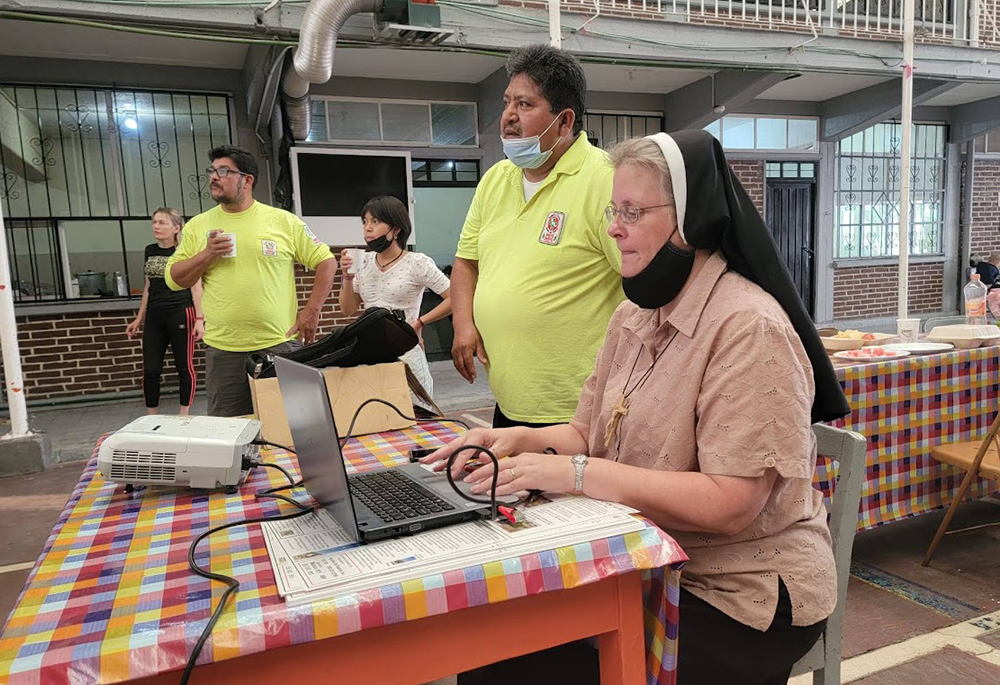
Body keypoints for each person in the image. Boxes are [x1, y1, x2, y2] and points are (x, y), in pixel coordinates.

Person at [424, 131, 851, 685]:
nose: (613, 227)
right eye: (612, 210)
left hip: (742, 592)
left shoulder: (749, 327)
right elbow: (585, 430)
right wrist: (516, 441)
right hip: (651, 560)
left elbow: (732, 503)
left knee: (520, 662)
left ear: (691, 222)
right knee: (497, 642)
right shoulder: (634, 316)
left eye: (633, 211)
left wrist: (576, 474)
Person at [451, 44, 623, 429]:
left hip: (579, 412)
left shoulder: (606, 179)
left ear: (564, 121)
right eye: (507, 103)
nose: (509, 117)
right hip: (509, 402)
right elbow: (466, 260)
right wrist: (464, 324)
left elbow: (643, 284)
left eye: (525, 105)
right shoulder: (496, 179)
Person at [165, 145, 337, 417]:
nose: (213, 177)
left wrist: (311, 311)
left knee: (292, 426)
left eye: (224, 171)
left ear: (248, 180)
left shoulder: (283, 221)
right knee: (229, 433)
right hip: (224, 350)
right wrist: (207, 254)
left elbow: (327, 261)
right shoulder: (198, 226)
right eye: (212, 171)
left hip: (280, 344)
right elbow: (175, 279)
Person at [338, 195, 452, 408]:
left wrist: (419, 323)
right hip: (371, 354)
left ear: (396, 229)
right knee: (378, 416)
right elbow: (347, 309)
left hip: (407, 354)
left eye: (375, 221)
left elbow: (454, 297)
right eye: (365, 222)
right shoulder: (363, 261)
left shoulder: (417, 263)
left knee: (416, 418)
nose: (367, 229)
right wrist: (346, 276)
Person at [125, 207, 204, 415]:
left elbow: (196, 287)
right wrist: (139, 319)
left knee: (183, 366)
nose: (156, 226)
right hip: (155, 315)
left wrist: (199, 318)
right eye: (154, 222)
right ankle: (152, 416)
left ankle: (183, 415)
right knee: (151, 368)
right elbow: (148, 287)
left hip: (180, 311)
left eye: (162, 223)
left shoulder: (185, 252)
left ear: (176, 228)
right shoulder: (149, 250)